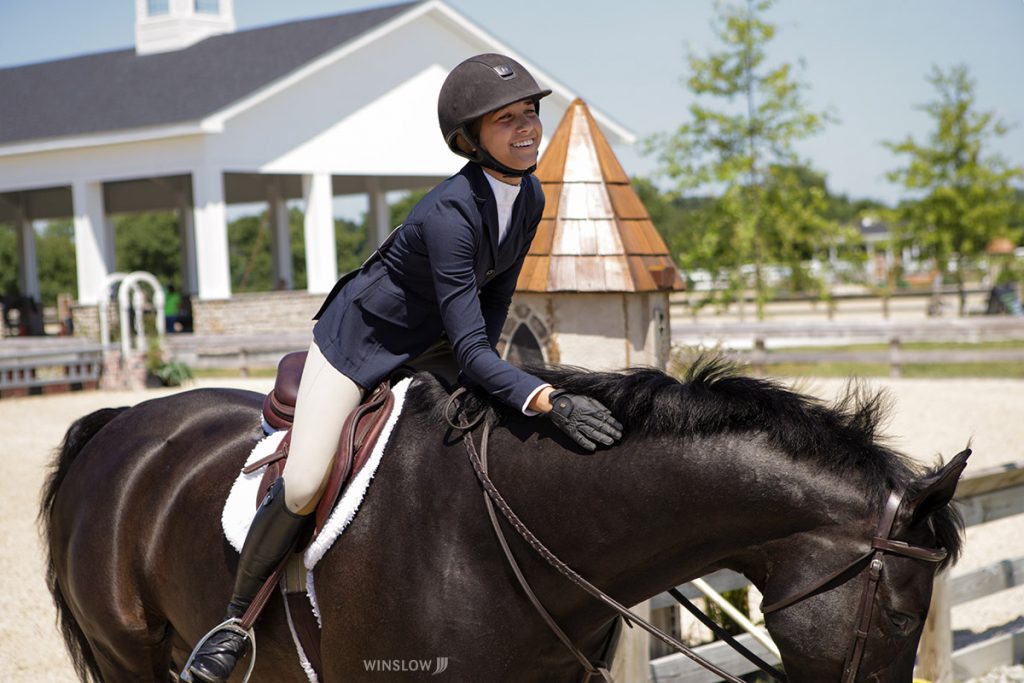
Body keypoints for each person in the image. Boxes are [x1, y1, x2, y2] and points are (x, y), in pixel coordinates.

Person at [183, 53, 624, 683]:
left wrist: (497, 384)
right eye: (507, 120)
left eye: (531, 114)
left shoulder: (528, 194)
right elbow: (473, 352)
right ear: (469, 139)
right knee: (306, 481)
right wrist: (547, 398)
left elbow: (491, 307)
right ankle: (232, 622)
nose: (527, 128)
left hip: (440, 339)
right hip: (361, 341)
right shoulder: (449, 212)